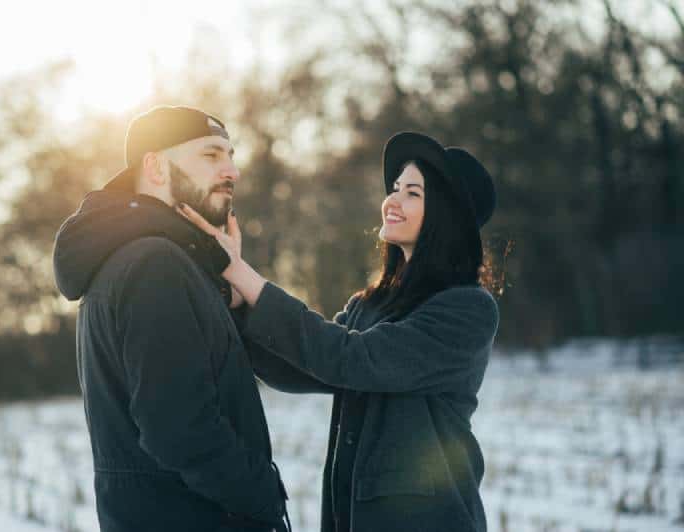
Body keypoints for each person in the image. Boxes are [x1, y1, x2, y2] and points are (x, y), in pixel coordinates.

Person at [175, 132, 499, 532]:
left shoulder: (467, 309)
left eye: (412, 193)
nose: (392, 200)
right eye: (395, 187)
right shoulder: (372, 304)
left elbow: (353, 358)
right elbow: (309, 366)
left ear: (445, 216)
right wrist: (241, 308)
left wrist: (242, 273)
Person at [52, 105, 289, 532]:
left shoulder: (139, 259)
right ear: (156, 166)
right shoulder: (153, 265)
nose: (232, 170)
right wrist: (263, 498)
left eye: (231, 155)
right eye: (212, 155)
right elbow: (179, 431)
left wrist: (226, 277)